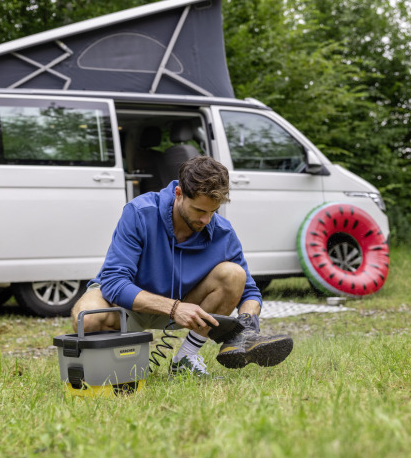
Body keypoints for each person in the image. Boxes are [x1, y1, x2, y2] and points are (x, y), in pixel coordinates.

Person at [72, 155, 293, 376]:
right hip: (128, 303)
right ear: (179, 194)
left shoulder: (223, 232)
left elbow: (250, 293)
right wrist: (173, 308)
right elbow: (113, 282)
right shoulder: (140, 212)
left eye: (212, 211)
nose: (206, 220)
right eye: (199, 210)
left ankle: (185, 360)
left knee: (234, 274)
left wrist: (247, 324)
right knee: (88, 316)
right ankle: (119, 365)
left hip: (188, 306)